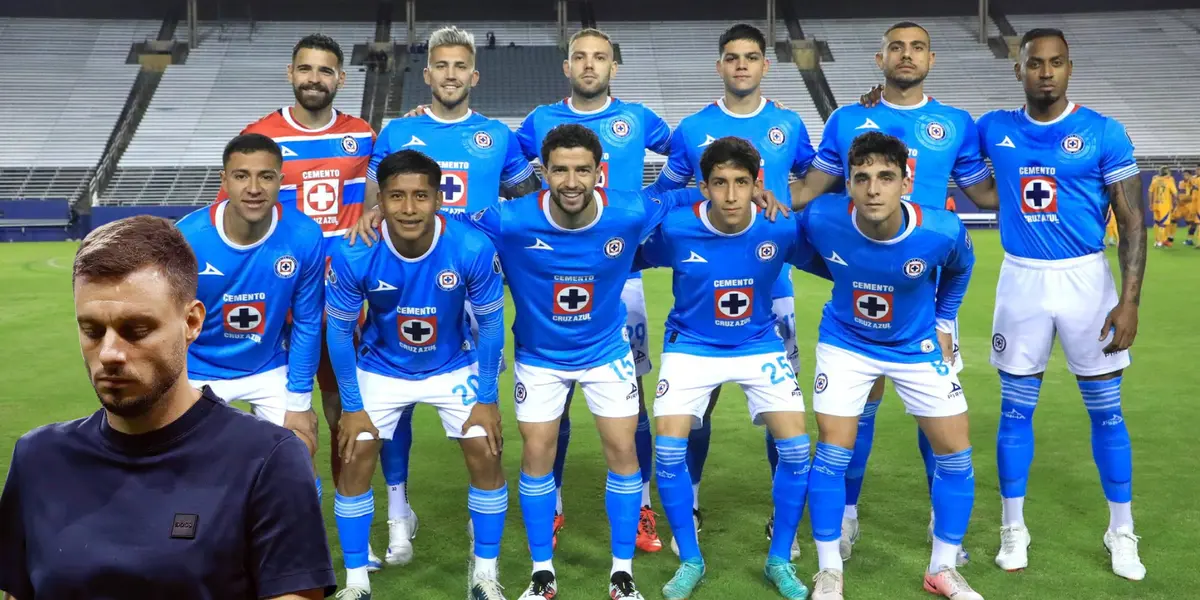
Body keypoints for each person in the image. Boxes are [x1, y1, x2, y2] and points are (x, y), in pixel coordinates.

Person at [452, 124, 783, 600]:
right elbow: (447, 220)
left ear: (598, 172)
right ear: (543, 172)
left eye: (582, 170)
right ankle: (542, 572)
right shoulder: (511, 217)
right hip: (539, 357)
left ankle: (621, 573)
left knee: (624, 455)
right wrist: (382, 211)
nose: (571, 182)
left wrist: (758, 196)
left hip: (607, 352)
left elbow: (696, 195)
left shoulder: (629, 208)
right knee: (537, 455)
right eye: (560, 170)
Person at [0, 216, 335, 599]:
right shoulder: (39, 459)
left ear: (191, 322)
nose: (109, 353)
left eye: (136, 330)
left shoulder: (266, 460)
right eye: (92, 330)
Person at [790, 21, 995, 564]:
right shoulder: (847, 119)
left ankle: (939, 519)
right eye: (897, 48)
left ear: (932, 58)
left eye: (917, 47)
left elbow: (985, 190)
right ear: (879, 58)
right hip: (861, 293)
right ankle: (847, 515)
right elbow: (811, 193)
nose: (907, 56)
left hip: (922, 301)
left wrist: (945, 321)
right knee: (859, 412)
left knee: (937, 417)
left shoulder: (955, 123)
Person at [345, 24, 540, 567]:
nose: (450, 75)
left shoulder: (496, 136)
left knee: (478, 401)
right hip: (402, 280)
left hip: (471, 282)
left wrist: (497, 228)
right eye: (441, 66)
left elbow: (527, 199)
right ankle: (398, 516)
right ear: (426, 74)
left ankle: (493, 541)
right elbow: (372, 206)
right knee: (395, 400)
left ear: (473, 75)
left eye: (460, 67)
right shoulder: (397, 134)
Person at [977, 28, 1147, 580]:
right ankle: (1013, 528)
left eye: (1055, 63)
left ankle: (1121, 531)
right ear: (1018, 70)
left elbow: (1134, 222)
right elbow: (928, 145)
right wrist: (873, 103)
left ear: (1069, 67)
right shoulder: (993, 128)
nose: (1045, 72)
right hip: (1022, 279)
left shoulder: (1102, 131)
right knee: (1014, 411)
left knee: (1106, 411)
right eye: (1034, 63)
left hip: (1085, 280)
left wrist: (1129, 302)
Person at [647, 23, 814, 557]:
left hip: (773, 287)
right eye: (731, 57)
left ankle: (778, 512)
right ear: (719, 66)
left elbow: (808, 188)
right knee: (702, 405)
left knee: (778, 410)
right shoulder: (693, 127)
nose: (741, 65)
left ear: (766, 65)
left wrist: (776, 202)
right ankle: (689, 504)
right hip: (703, 286)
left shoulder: (789, 123)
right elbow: (665, 194)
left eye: (751, 57)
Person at [639, 136, 826, 600]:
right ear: (703, 186)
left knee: (797, 450)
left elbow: (827, 263)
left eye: (741, 183)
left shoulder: (779, 227)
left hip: (758, 343)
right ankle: (690, 560)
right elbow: (624, 252)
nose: (729, 195)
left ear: (756, 185)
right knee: (667, 453)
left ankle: (779, 558)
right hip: (692, 345)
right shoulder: (678, 228)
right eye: (718, 183)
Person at [798, 131, 979, 600]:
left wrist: (943, 321)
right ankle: (829, 571)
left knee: (956, 456)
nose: (873, 188)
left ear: (906, 181)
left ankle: (942, 568)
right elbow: (798, 248)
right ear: (849, 184)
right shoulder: (821, 215)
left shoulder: (940, 230)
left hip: (915, 346)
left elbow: (961, 268)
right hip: (846, 343)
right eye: (861, 178)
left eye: (885, 177)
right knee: (833, 453)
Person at [515, 27, 674, 553]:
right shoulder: (540, 120)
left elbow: (690, 155)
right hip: (554, 268)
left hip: (619, 277)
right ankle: (552, 507)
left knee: (633, 401)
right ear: (566, 66)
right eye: (579, 57)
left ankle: (642, 507)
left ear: (614, 66)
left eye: (599, 57)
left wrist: (650, 202)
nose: (589, 65)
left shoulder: (638, 119)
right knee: (549, 402)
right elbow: (513, 175)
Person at [325, 150, 508, 600]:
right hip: (381, 365)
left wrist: (486, 397)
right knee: (354, 457)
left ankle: (484, 576)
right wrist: (351, 406)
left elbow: (491, 327)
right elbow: (339, 332)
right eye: (397, 197)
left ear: (438, 198)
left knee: (486, 452)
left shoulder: (470, 247)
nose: (409, 208)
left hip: (452, 363)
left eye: (420, 196)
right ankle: (356, 583)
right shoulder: (353, 252)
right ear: (379, 202)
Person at [222, 33, 378, 528]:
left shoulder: (363, 136)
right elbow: (235, 214)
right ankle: (292, 523)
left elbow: (381, 196)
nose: (315, 78)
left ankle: (349, 521)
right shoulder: (262, 136)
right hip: (276, 300)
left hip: (339, 301)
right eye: (306, 69)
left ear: (340, 79)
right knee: (278, 418)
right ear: (291, 74)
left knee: (342, 415)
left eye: (325, 70)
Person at [179, 134, 325, 491]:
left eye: (266, 176)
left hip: (267, 366)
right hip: (198, 368)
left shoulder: (304, 235)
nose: (254, 188)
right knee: (189, 472)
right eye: (242, 176)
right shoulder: (188, 237)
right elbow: (168, 323)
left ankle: (293, 545)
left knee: (298, 453)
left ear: (281, 180)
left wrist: (300, 402)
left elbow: (307, 323)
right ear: (224, 180)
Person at [1149, 166, 1177, 247]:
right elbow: (1175, 193)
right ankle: (1160, 242)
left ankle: (1157, 240)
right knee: (1163, 224)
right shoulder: (1169, 181)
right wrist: (1176, 202)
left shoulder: (1155, 180)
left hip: (1156, 204)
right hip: (1165, 205)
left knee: (1157, 223)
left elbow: (1150, 192)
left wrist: (1150, 203)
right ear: (1167, 173)